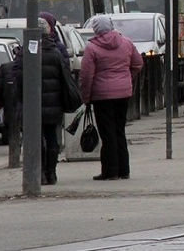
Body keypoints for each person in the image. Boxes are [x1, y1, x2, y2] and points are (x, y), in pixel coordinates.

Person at [79, 14, 144, 181]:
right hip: (123, 93)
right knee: (119, 130)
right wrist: (127, 77)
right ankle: (124, 170)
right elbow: (138, 64)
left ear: (96, 29)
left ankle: (110, 171)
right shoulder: (126, 43)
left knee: (107, 133)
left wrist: (86, 97)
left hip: (102, 96)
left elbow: (86, 75)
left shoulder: (92, 48)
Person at [13, 18, 67, 185]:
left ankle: (39, 172)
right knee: (52, 137)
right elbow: (64, 76)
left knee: (34, 138)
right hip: (52, 104)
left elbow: (18, 77)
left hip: (31, 105)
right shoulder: (55, 52)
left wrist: (20, 99)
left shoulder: (24, 53)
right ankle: (51, 173)